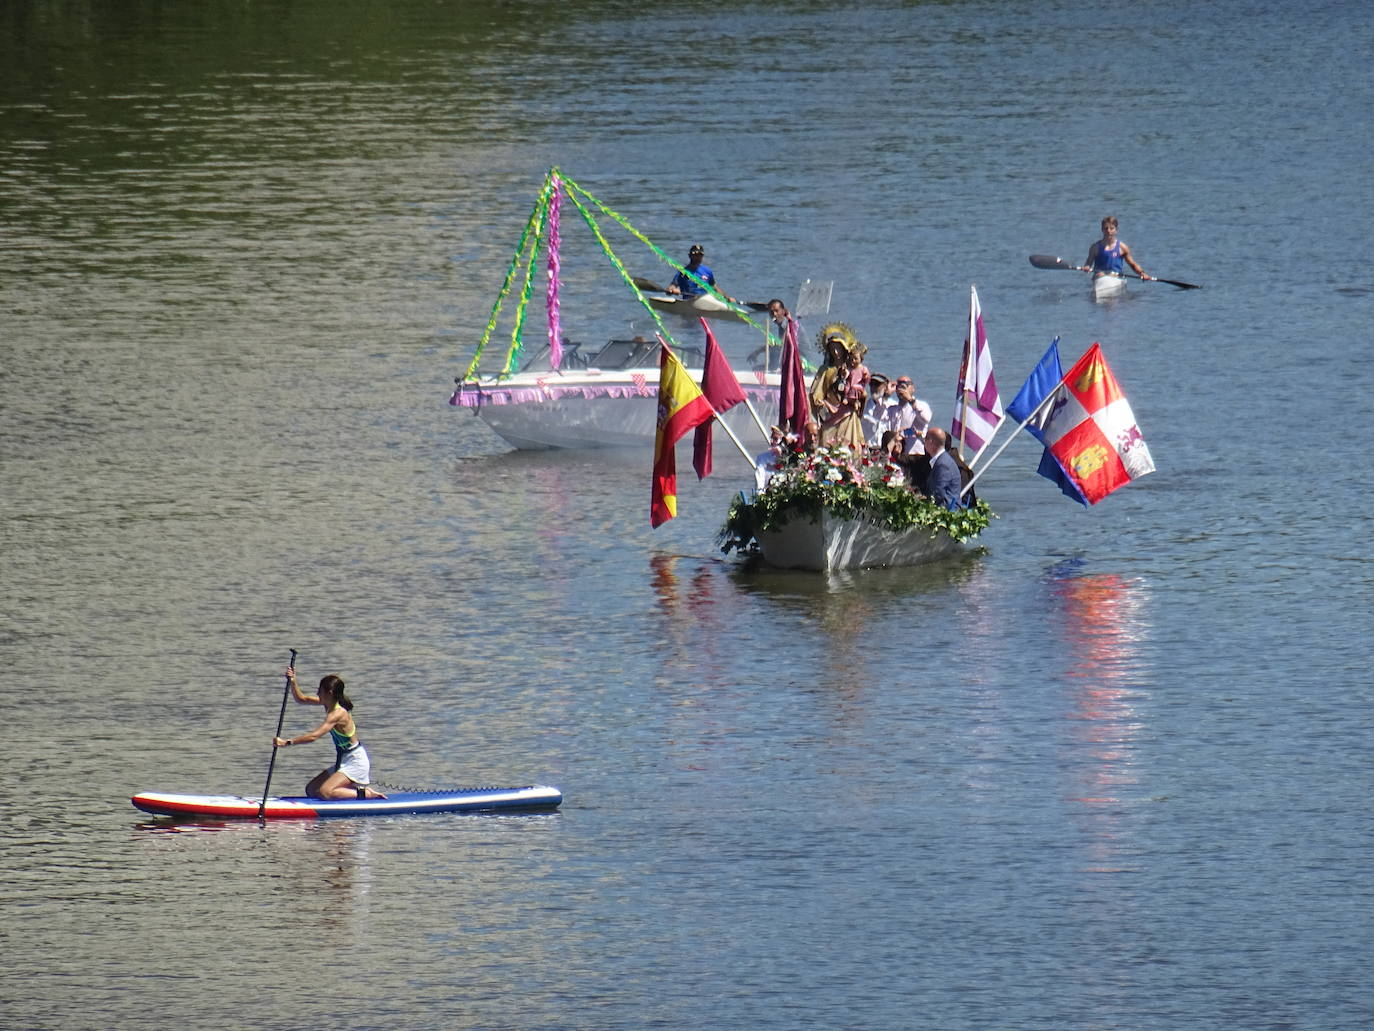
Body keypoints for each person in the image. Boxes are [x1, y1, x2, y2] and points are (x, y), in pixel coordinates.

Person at [273, 667, 386, 800]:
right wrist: (293, 681)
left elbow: (314, 736)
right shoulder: (327, 703)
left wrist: (287, 742)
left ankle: (366, 794)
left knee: (324, 792)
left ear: (330, 693)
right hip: (344, 759)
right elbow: (301, 699)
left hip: (355, 762)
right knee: (311, 790)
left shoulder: (337, 714)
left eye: (319, 691)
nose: (317, 693)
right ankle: (347, 790)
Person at [1086, 216, 1151, 282]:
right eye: (1106, 228)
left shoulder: (1122, 247)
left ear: (1116, 230)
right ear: (1102, 229)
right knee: (1099, 275)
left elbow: (1133, 264)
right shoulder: (1095, 247)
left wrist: (1142, 273)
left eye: (1111, 228)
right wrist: (1087, 267)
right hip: (1099, 278)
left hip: (1116, 278)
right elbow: (1088, 263)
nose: (1108, 231)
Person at [879, 376, 933, 455]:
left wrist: (910, 400)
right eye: (899, 386)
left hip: (915, 454)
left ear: (913, 389)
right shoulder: (892, 409)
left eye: (905, 385)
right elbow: (877, 417)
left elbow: (926, 418)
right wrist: (885, 395)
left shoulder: (920, 406)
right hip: (897, 454)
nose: (901, 389)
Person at [921, 426, 963, 510]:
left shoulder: (942, 464)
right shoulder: (942, 460)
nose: (924, 442)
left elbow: (938, 493)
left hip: (947, 512)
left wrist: (920, 500)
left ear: (931, 442)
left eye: (925, 439)